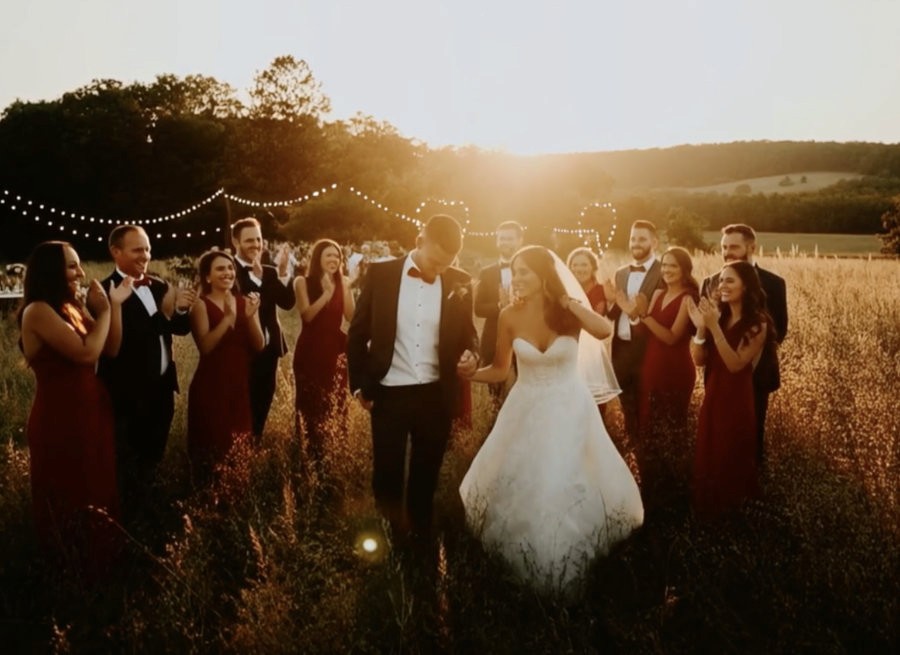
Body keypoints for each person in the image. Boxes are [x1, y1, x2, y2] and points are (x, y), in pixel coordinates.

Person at [458, 245, 643, 595]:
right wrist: (469, 375)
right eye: (514, 272)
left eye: (524, 270)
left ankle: (566, 561)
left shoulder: (568, 314)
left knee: (562, 477)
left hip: (570, 407)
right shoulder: (509, 315)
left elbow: (603, 330)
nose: (517, 278)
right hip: (525, 408)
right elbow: (499, 370)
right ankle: (528, 562)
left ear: (544, 274)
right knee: (528, 478)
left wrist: (568, 301)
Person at [347, 214, 479, 545]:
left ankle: (420, 540)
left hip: (437, 395)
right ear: (420, 240)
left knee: (426, 473)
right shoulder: (381, 274)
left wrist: (472, 355)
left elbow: (469, 335)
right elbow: (357, 331)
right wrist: (360, 384)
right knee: (387, 474)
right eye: (435, 262)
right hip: (390, 392)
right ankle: (390, 541)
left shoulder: (460, 281)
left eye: (446, 265)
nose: (438, 271)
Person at [19, 241, 128, 579]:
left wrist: (113, 307)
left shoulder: (70, 308)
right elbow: (85, 354)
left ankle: (103, 565)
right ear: (51, 271)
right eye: (72, 266)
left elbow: (110, 347)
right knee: (69, 488)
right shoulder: (37, 311)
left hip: (91, 410)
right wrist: (105, 314)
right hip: (60, 416)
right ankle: (69, 571)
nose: (81, 273)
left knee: (97, 483)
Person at [98, 225, 195, 518]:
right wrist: (164, 313)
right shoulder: (105, 292)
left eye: (148, 248)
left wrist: (179, 310)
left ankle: (151, 514)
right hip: (129, 394)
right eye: (137, 249)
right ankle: (128, 522)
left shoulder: (158, 285)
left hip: (163, 389)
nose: (145, 255)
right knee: (128, 464)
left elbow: (180, 329)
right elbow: (124, 342)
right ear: (116, 252)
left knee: (155, 458)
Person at [688, 261, 772, 519]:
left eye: (730, 280)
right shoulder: (718, 316)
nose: (723, 285)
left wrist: (713, 327)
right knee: (709, 452)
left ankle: (735, 517)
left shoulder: (758, 323)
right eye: (721, 280)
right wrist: (702, 328)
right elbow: (698, 360)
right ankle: (708, 514)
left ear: (746, 286)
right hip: (713, 393)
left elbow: (735, 364)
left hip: (736, 399)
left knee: (730, 454)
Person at [700, 224, 787, 464]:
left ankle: (749, 496)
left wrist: (746, 354)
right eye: (724, 247)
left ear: (751, 247)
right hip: (718, 375)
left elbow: (779, 331)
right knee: (716, 440)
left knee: (749, 441)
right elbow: (704, 328)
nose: (727, 252)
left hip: (755, 377)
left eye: (734, 246)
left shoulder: (774, 283)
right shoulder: (710, 282)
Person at [620, 246, 699, 504]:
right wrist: (635, 315)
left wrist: (643, 315)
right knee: (648, 424)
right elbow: (644, 333)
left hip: (675, 368)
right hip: (651, 366)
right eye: (664, 265)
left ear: (685, 269)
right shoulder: (657, 294)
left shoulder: (689, 298)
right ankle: (649, 483)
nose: (666, 270)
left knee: (673, 425)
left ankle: (674, 484)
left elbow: (672, 337)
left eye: (672, 266)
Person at [187, 250, 264, 482]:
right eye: (220, 269)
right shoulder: (200, 305)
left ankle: (237, 497)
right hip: (211, 383)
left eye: (230, 268)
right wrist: (228, 320)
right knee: (213, 443)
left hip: (238, 382)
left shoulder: (245, 301)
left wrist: (250, 317)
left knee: (239, 441)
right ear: (207, 277)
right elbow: (206, 347)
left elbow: (259, 344)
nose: (227, 272)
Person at [292, 238, 355, 468]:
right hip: (310, 348)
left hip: (335, 347)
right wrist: (326, 295)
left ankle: (335, 450)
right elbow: (307, 316)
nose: (333, 260)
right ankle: (309, 453)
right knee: (310, 401)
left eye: (337, 256)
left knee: (336, 400)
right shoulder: (302, 281)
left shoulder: (343, 282)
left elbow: (350, 317)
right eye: (328, 255)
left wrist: (345, 289)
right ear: (318, 258)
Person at [231, 218, 296, 438]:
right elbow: (241, 303)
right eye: (249, 240)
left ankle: (254, 444)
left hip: (270, 350)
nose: (255, 245)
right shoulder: (227, 270)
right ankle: (240, 450)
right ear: (235, 241)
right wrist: (257, 282)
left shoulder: (269, 271)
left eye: (258, 239)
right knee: (242, 403)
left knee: (263, 400)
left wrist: (285, 273)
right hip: (244, 348)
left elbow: (287, 303)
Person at [606, 220, 662, 441]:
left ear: (654, 242)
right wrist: (610, 303)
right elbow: (615, 312)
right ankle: (632, 448)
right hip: (620, 348)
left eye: (642, 239)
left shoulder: (663, 271)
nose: (636, 243)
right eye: (633, 239)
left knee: (647, 405)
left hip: (647, 348)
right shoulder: (620, 273)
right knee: (626, 403)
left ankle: (648, 448)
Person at [474, 220, 524, 402]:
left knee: (525, 386)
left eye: (510, 239)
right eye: (502, 239)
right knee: (495, 392)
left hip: (526, 335)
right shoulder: (487, 273)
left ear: (520, 240)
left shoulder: (530, 270)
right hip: (494, 336)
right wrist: (499, 306)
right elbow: (478, 309)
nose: (505, 243)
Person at [567, 247, 608, 315]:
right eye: (575, 265)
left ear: (593, 268)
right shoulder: (566, 291)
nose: (579, 269)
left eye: (584, 265)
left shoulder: (603, 291)